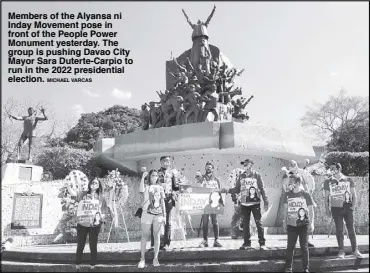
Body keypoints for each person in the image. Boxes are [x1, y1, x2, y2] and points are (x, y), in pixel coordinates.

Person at [223, 159, 269, 250]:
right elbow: (236, 189)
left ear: (251, 165)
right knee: (245, 223)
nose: (245, 166)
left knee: (258, 223)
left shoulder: (257, 175)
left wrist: (266, 201)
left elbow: (262, 188)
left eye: (246, 164)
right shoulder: (241, 176)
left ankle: (262, 243)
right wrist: (227, 190)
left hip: (255, 203)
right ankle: (247, 243)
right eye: (244, 165)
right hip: (244, 203)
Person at [324, 163, 363, 259]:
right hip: (335, 209)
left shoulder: (348, 179)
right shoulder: (328, 181)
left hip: (347, 208)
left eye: (333, 168)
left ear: (339, 168)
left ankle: (355, 250)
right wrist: (327, 209)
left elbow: (354, 195)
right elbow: (326, 198)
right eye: (330, 168)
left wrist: (352, 207)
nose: (331, 170)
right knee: (339, 230)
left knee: (351, 229)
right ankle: (341, 251)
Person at [68, 178, 108, 272]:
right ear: (89, 184)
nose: (94, 184)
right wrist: (68, 185)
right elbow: (73, 193)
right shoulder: (83, 194)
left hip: (95, 224)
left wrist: (102, 220)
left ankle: (92, 265)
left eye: (96, 183)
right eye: (92, 182)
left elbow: (103, 211)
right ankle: (78, 264)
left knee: (93, 245)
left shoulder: (101, 197)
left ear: (99, 186)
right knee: (80, 244)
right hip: (82, 223)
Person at [282, 173, 314, 273]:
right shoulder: (287, 194)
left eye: (291, 182)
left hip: (303, 225)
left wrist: (312, 223)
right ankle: (288, 268)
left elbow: (311, 210)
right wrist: (284, 221)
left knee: (304, 247)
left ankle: (305, 269)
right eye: (289, 182)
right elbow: (285, 210)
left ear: (298, 183)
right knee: (290, 246)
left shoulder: (306, 194)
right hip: (291, 225)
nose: (289, 184)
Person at [148, 156, 180, 251]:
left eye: (169, 161)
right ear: (161, 162)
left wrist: (174, 194)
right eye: (165, 161)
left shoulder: (172, 173)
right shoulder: (156, 173)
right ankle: (154, 244)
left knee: (168, 222)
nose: (167, 162)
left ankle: (166, 243)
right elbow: (152, 185)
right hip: (157, 199)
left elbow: (176, 187)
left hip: (168, 198)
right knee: (156, 221)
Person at [284, 160, 316, 247]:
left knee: (305, 216)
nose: (292, 166)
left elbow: (308, 181)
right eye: (290, 164)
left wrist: (309, 192)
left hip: (303, 197)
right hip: (293, 198)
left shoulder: (302, 172)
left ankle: (306, 240)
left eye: (293, 164)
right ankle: (293, 241)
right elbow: (286, 185)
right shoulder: (288, 174)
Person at [138, 169, 166, 268]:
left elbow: (162, 201)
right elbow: (141, 190)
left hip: (158, 214)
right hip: (147, 213)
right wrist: (142, 177)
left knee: (157, 235)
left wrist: (164, 215)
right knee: (145, 235)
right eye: (152, 175)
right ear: (149, 176)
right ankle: (142, 258)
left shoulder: (160, 187)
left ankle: (155, 258)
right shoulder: (146, 186)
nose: (154, 177)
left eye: (156, 175)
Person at [195, 162, 223, 247]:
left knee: (215, 221)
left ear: (213, 169)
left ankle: (216, 240)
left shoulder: (216, 179)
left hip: (214, 202)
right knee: (205, 222)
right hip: (205, 203)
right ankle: (205, 241)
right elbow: (197, 186)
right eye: (207, 167)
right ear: (205, 168)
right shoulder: (202, 177)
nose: (208, 168)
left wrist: (221, 201)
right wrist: (198, 178)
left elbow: (219, 191)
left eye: (210, 167)